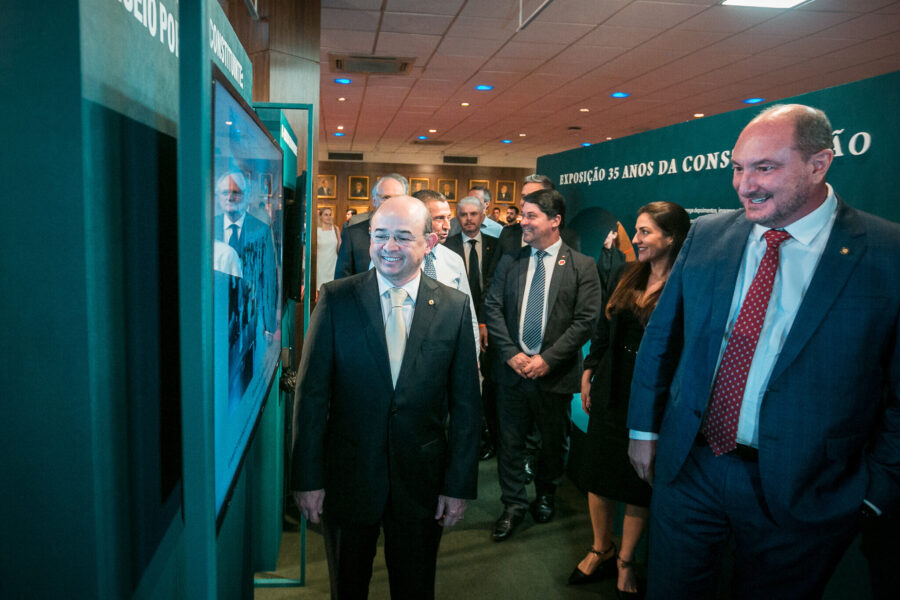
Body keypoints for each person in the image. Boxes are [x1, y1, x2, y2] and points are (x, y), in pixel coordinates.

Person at [627, 104, 900, 599]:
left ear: (819, 164)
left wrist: (875, 491)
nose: (744, 185)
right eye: (738, 167)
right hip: (690, 468)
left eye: (764, 168)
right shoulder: (709, 234)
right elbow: (662, 339)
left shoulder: (886, 253)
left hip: (807, 489)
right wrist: (643, 430)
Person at [291, 195, 481, 599]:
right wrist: (307, 479)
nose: (388, 247)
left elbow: (467, 405)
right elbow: (311, 398)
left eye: (402, 237)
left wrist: (458, 485)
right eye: (380, 235)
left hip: (422, 485)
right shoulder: (336, 299)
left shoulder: (453, 307)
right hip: (348, 480)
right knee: (347, 588)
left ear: (429, 243)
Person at [569, 202, 690, 598]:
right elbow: (604, 328)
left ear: (670, 238)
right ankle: (600, 548)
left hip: (653, 398)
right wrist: (590, 368)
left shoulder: (686, 283)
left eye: (644, 232)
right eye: (636, 230)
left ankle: (625, 561)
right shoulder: (625, 273)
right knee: (599, 474)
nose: (634, 239)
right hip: (611, 386)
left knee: (638, 483)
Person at [484, 188, 601, 541]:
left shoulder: (582, 266)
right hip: (512, 373)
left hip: (554, 374)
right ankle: (513, 505)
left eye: (531, 215)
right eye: (523, 214)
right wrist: (511, 353)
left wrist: (548, 359)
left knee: (553, 443)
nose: (523, 221)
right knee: (510, 442)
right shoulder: (511, 261)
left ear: (555, 220)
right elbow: (492, 308)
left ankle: (546, 494)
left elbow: (586, 320)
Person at [446, 195, 500, 459]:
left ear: (482, 216)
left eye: (473, 214)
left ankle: (486, 434)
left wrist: (484, 320)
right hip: (458, 322)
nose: (468, 219)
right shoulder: (448, 246)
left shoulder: (496, 246)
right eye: (464, 215)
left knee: (488, 382)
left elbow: (495, 287)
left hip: (489, 323)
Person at [413, 189, 480, 357]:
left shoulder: (454, 260)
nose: (447, 226)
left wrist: (473, 356)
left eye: (448, 218)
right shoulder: (397, 260)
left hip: (447, 352)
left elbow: (468, 314)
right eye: (439, 218)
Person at [335, 174, 409, 278]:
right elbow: (341, 280)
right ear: (374, 201)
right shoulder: (353, 235)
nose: (391, 203)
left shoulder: (414, 234)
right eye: (386, 197)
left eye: (397, 198)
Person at [316, 207, 340, 292]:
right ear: (320, 217)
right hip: (320, 265)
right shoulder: (316, 231)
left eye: (330, 214)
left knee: (333, 288)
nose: (329, 217)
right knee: (320, 289)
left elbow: (340, 246)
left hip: (333, 263)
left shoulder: (335, 229)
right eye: (326, 215)